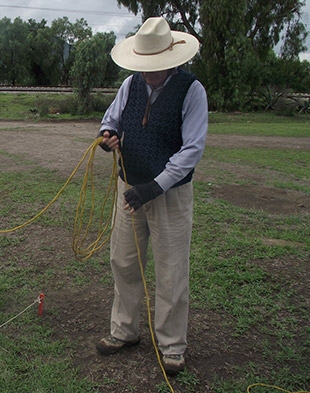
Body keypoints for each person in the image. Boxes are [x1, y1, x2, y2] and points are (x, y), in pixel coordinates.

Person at [95, 17, 208, 374]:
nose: (147, 73)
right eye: (143, 66)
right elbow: (111, 118)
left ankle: (172, 346)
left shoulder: (192, 91)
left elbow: (192, 149)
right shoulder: (130, 84)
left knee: (171, 270)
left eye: (153, 68)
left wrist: (155, 186)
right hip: (129, 189)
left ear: (172, 61)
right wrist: (108, 134)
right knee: (124, 261)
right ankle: (124, 330)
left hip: (169, 196)